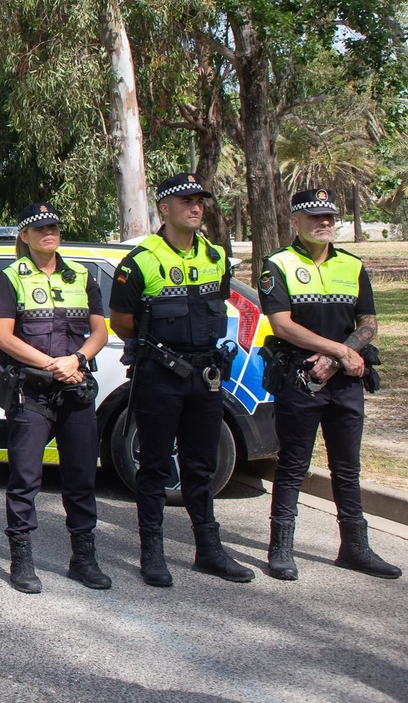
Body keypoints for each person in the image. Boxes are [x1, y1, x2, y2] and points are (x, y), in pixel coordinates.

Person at [109, 173, 253, 586]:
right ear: (164, 208)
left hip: (206, 377)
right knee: (154, 466)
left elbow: (218, 307)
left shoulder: (216, 256)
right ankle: (152, 552)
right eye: (186, 201)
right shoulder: (140, 261)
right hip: (160, 377)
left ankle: (209, 550)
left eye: (199, 201)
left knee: (201, 466)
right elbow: (122, 322)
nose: (195, 207)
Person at [259, 189, 400, 581]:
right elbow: (282, 325)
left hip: (345, 381)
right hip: (299, 379)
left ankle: (355, 548)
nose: (324, 223)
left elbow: (368, 323)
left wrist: (339, 359)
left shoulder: (352, 265)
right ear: (295, 221)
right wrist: (337, 350)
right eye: (315, 217)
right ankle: (280, 549)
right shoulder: (277, 265)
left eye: (330, 217)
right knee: (292, 465)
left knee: (347, 468)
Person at [0, 204, 112, 593]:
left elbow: (100, 332)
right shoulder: (11, 277)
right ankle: (22, 561)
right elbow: (4, 337)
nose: (49, 233)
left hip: (75, 389)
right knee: (25, 479)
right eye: (40, 228)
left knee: (81, 477)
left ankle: (83, 559)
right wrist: (52, 365)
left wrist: (77, 360)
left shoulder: (82, 276)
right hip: (32, 391)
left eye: (54, 227)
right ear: (24, 236)